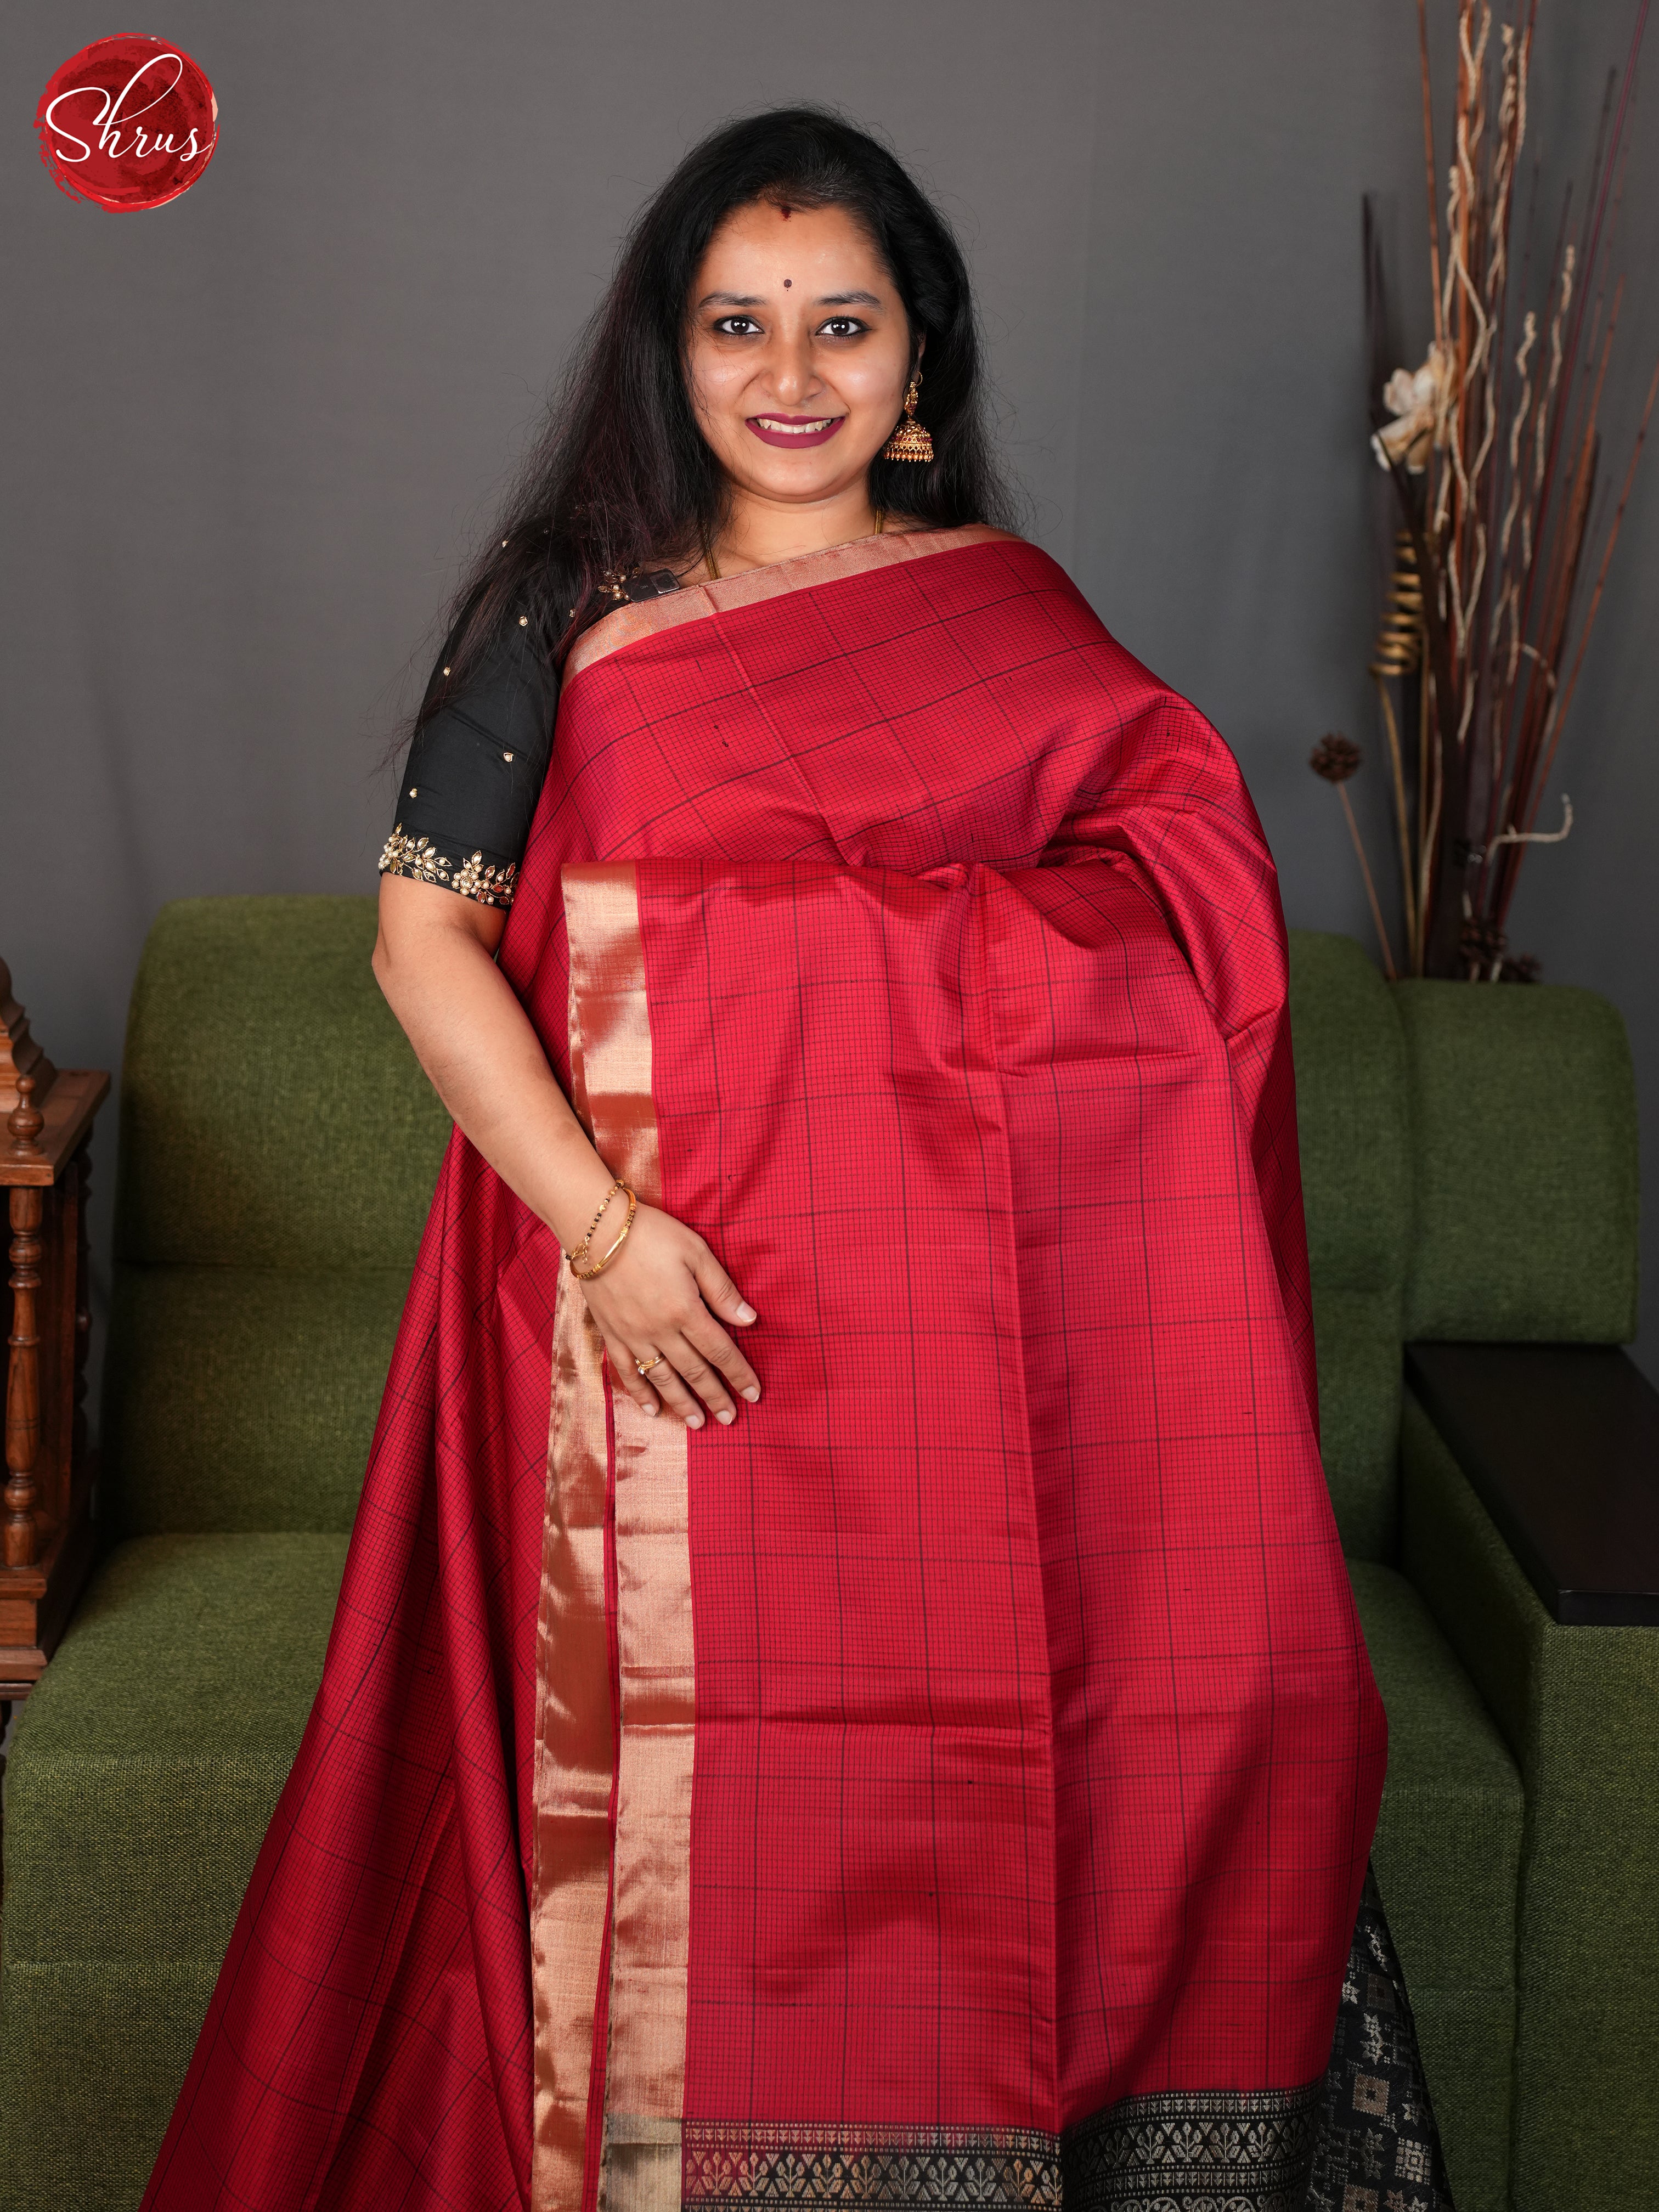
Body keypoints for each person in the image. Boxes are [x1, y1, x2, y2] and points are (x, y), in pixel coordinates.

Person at [142, 109, 1452, 2212]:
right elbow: (424, 942)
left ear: (919, 361)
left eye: (844, 324)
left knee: (1019, 1781)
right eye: (737, 323)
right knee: (670, 1833)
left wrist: (885, 960)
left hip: (966, 1351)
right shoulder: (570, 613)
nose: (790, 371)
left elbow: (1179, 910)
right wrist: (608, 1235)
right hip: (637, 1320)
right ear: (670, 356)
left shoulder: (1006, 617)